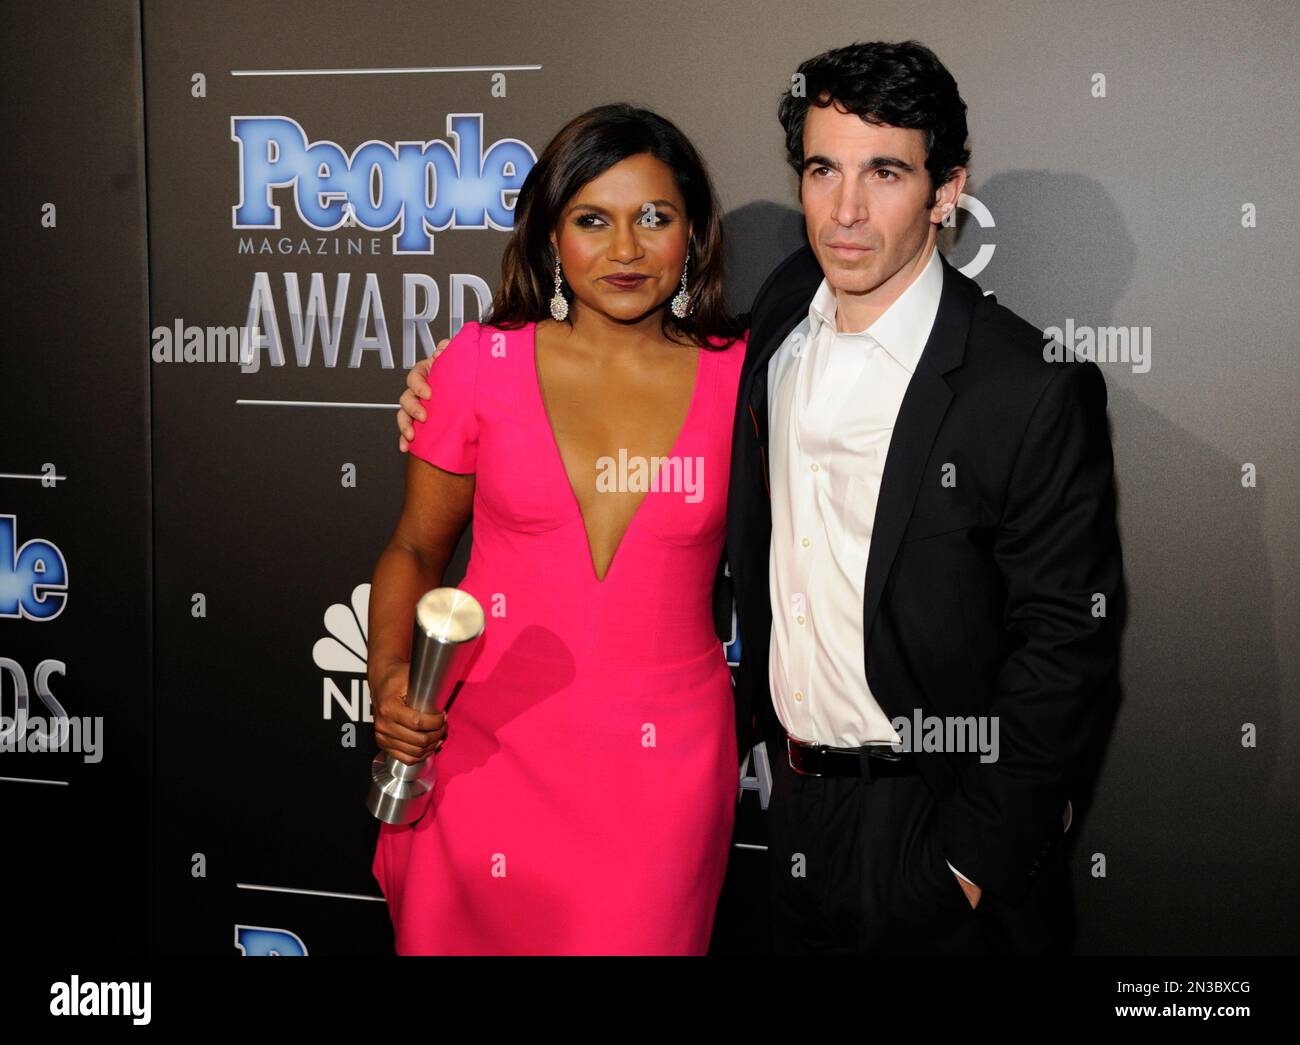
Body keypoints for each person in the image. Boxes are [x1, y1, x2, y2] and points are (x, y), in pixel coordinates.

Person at [399, 40, 1124, 957]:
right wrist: (441, 385)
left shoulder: (1027, 385)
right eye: (824, 169)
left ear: (947, 192)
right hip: (794, 819)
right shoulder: (773, 327)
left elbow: (1068, 644)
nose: (847, 210)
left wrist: (972, 861)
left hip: (941, 825)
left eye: (886, 172)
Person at [368, 103, 747, 955]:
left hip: (665, 771)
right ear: (549, 234)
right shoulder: (476, 365)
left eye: (655, 217)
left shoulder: (746, 380)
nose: (624, 249)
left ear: (693, 234)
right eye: (591, 220)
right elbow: (416, 549)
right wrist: (392, 676)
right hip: (486, 750)